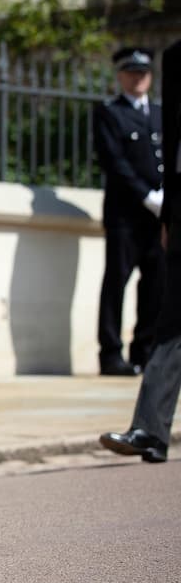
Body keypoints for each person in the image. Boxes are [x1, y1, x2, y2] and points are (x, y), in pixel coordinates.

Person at [100, 38, 181, 462]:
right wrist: (165, 211)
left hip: (163, 214)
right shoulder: (176, 57)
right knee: (169, 323)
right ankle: (149, 428)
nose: (138, 77)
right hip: (153, 215)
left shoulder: (158, 105)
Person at [93, 47, 165, 376]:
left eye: (143, 73)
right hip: (125, 215)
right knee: (116, 281)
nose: (138, 79)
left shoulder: (161, 113)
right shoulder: (110, 112)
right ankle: (111, 355)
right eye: (132, 72)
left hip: (159, 216)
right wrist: (146, 196)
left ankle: (144, 352)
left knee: (156, 284)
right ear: (121, 76)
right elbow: (114, 161)